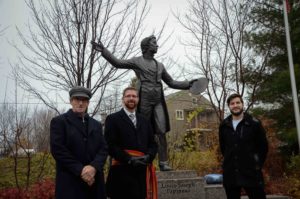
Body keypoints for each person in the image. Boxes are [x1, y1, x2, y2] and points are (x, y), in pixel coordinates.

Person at [92, 35, 196, 171]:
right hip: (144, 99)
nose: (157, 45)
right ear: (146, 46)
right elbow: (118, 63)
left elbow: (171, 82)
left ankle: (164, 162)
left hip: (158, 100)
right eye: (154, 43)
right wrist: (104, 51)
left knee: (161, 131)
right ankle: (143, 159)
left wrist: (188, 84)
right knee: (142, 131)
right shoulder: (137, 61)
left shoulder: (160, 65)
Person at [50, 86, 108, 199]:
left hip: (94, 183)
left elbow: (103, 148)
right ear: (71, 101)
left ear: (88, 102)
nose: (80, 103)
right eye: (77, 99)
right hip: (70, 183)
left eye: (84, 100)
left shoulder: (96, 124)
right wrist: (81, 170)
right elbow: (58, 150)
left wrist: (93, 167)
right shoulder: (59, 122)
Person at [104, 87, 158, 199]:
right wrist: (129, 159)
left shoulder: (145, 120)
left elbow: (153, 144)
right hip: (121, 174)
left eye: (134, 96)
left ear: (138, 99)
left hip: (141, 174)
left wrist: (149, 156)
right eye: (128, 96)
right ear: (123, 99)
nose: (131, 98)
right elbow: (110, 145)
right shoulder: (112, 119)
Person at [219, 93, 268, 199]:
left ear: (242, 104)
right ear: (229, 106)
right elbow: (223, 148)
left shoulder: (254, 123)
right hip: (231, 173)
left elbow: (263, 147)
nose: (235, 105)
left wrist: (256, 164)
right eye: (232, 103)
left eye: (238, 102)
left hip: (251, 172)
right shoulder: (224, 125)